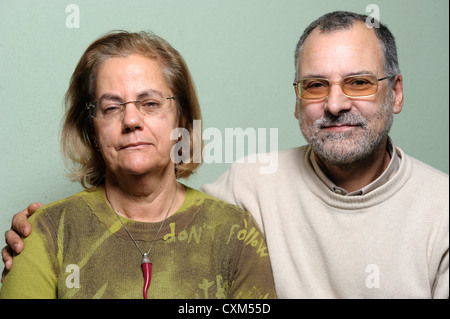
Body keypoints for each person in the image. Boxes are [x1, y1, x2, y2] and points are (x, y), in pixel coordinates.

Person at [3, 11, 449, 299]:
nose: (334, 104)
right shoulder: (252, 184)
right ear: (296, 101)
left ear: (397, 92)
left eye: (358, 82)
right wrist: (42, 228)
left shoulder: (442, 212)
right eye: (315, 85)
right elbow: (161, 205)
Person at [0, 30, 276, 299]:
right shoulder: (46, 231)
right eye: (111, 108)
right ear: (92, 132)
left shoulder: (235, 233)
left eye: (151, 103)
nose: (131, 120)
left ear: (181, 122)